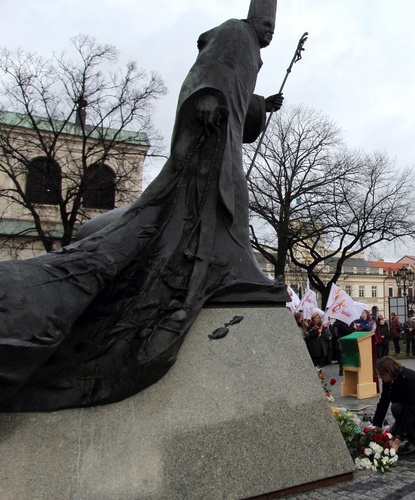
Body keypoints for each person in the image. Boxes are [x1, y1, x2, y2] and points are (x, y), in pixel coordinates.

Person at [0, 0, 289, 411]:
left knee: (232, 202)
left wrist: (260, 106)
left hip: (222, 152)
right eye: (265, 25)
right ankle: (227, 269)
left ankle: (232, 267)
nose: (267, 34)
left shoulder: (251, 53)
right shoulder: (234, 33)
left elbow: (238, 107)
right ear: (252, 19)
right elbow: (209, 74)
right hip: (207, 151)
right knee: (210, 207)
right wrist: (206, 95)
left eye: (271, 31)